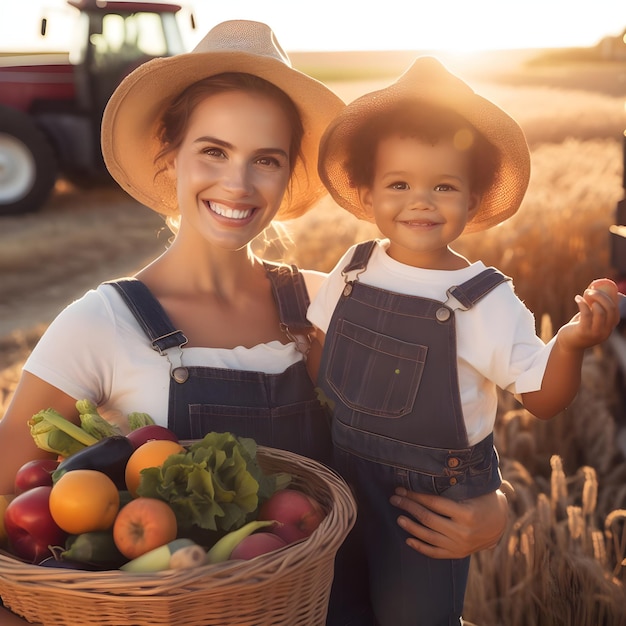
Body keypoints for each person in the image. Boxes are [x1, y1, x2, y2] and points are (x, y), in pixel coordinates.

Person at [0, 25, 509, 625]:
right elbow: (13, 512)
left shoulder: (332, 304)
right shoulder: (99, 325)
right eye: (213, 151)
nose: (237, 185)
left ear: (290, 171)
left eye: (266, 160)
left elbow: (422, 444)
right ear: (171, 153)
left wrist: (491, 506)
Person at [307, 56, 620, 626]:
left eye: (443, 186)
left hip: (430, 510)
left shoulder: (483, 298)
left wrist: (571, 343)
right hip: (341, 482)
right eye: (398, 184)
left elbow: (542, 400)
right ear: (367, 191)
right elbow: (321, 358)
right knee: (335, 610)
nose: (420, 200)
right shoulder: (351, 269)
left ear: (472, 201)